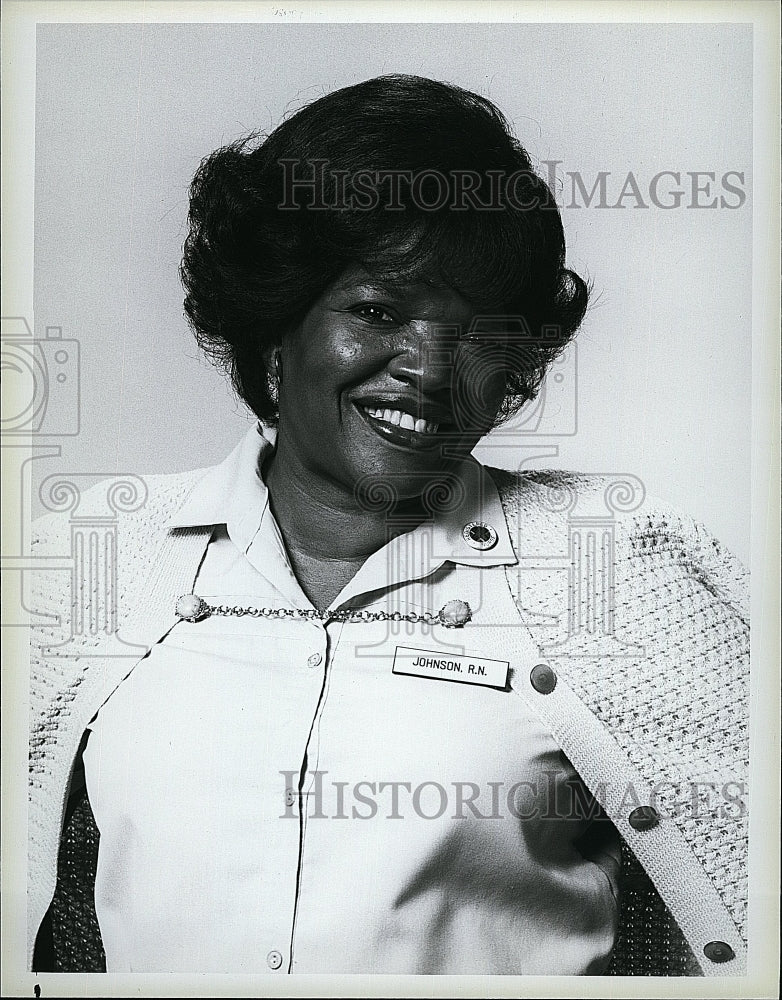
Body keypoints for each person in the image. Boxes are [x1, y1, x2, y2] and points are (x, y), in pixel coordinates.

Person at [28, 74, 748, 977]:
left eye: (484, 332)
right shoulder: (93, 558)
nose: (434, 368)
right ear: (275, 322)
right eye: (377, 311)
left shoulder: (615, 568)